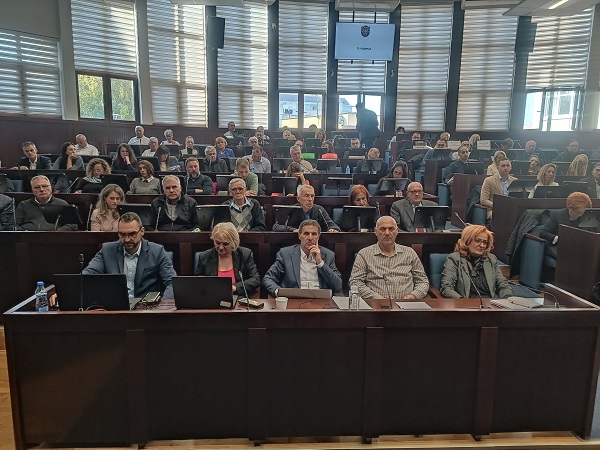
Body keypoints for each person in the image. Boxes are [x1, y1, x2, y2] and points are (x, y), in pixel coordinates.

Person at [83, 212, 176, 300]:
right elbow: (87, 276)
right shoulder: (107, 251)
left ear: (142, 231)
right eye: (122, 234)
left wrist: (163, 304)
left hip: (146, 307)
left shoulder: (157, 251)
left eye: (132, 234)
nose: (127, 239)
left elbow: (172, 282)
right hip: (116, 306)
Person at [349, 216, 429, 300]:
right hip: (376, 305)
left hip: (407, 305)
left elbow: (422, 281)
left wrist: (414, 295)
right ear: (376, 231)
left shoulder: (410, 253)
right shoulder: (364, 254)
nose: (387, 233)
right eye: (382, 229)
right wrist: (376, 298)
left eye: (391, 229)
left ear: (397, 231)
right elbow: (355, 282)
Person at [263, 219, 342, 296]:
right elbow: (268, 278)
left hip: (320, 300)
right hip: (293, 300)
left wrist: (320, 262)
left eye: (314, 234)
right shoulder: (286, 254)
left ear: (318, 236)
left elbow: (337, 285)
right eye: (306, 234)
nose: (310, 238)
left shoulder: (328, 255)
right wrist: (279, 292)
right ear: (299, 235)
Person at [440, 225, 512, 299]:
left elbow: (503, 285)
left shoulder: (491, 259)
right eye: (477, 241)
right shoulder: (455, 258)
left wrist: (507, 299)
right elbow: (446, 288)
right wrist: (463, 302)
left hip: (489, 303)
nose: (482, 245)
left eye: (485, 242)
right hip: (466, 303)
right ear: (467, 241)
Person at [195, 222, 261, 296]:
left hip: (238, 298)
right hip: (212, 298)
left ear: (233, 242)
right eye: (217, 243)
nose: (220, 247)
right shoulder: (204, 257)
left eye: (225, 244)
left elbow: (256, 279)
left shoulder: (244, 254)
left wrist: (235, 287)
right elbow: (197, 282)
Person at [540, 192, 592, 258]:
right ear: (571, 208)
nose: (580, 215)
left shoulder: (587, 217)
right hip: (559, 247)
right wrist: (559, 239)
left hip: (579, 247)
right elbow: (543, 232)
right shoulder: (557, 215)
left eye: (583, 212)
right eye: (579, 212)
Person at [273, 184, 339, 232]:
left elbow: (332, 225)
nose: (310, 199)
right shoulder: (291, 210)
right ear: (298, 199)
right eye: (306, 196)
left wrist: (333, 229)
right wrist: (293, 230)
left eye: (312, 196)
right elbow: (276, 227)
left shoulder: (319, 210)